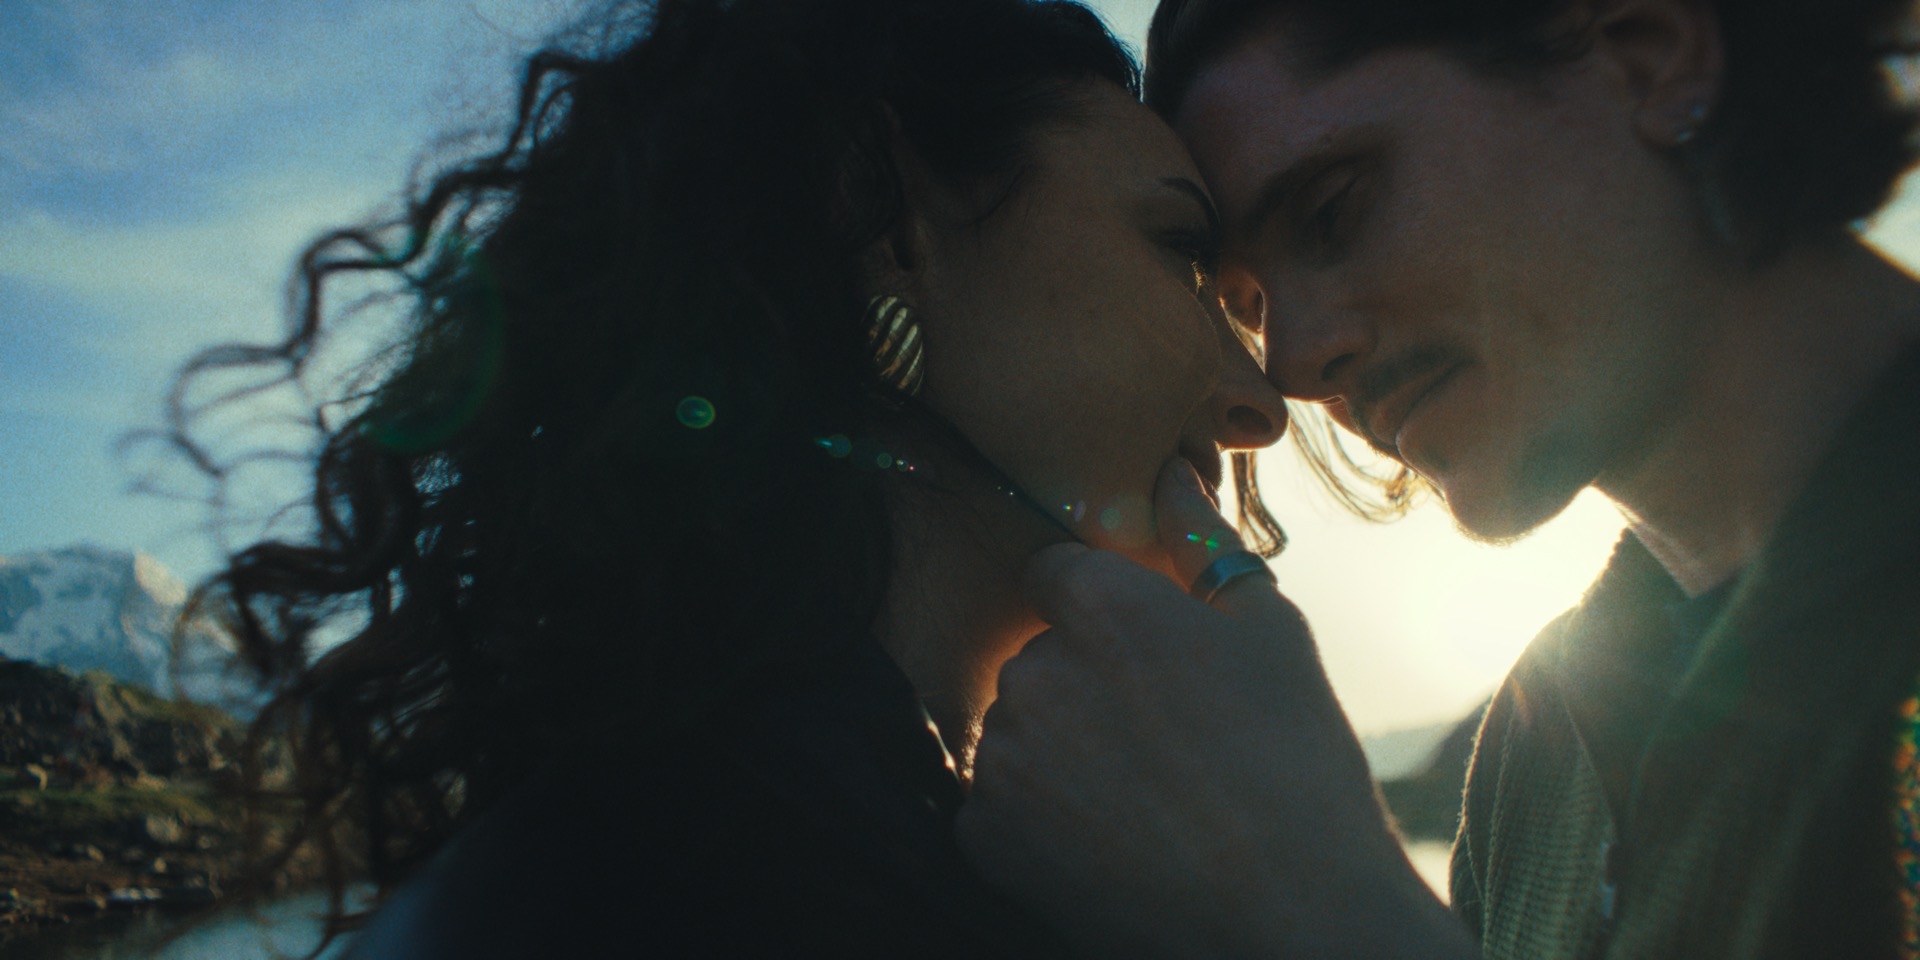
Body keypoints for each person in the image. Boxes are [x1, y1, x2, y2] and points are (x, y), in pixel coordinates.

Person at [163, 0, 1291, 955]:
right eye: (1183, 253)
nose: (1261, 406)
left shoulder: (717, 819)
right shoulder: (731, 880)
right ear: (879, 218)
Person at [958, 0, 1920, 957]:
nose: (1294, 366)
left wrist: (1316, 898)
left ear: (1648, 59)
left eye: (1333, 211)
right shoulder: (1538, 750)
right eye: (1252, 307)